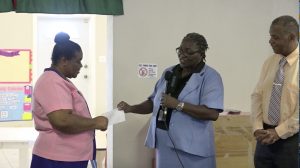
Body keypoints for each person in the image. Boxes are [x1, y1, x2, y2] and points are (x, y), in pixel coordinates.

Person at [118, 33, 224, 168]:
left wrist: (178, 105)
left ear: (202, 54)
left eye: (189, 52)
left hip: (193, 150)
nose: (182, 54)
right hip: (164, 142)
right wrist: (131, 108)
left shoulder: (210, 77)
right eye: (180, 50)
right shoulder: (169, 72)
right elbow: (153, 102)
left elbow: (212, 113)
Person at [30, 32, 108, 168]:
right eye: (78, 61)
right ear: (64, 60)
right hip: (56, 159)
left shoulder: (60, 81)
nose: (81, 65)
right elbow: (62, 120)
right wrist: (95, 122)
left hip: (67, 157)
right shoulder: (51, 82)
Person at [251, 15, 299, 168]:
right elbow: (257, 96)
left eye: (275, 37)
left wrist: (278, 132)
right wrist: (257, 127)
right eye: (270, 36)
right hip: (264, 138)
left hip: (291, 141)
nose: (270, 41)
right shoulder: (270, 62)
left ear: (291, 37)